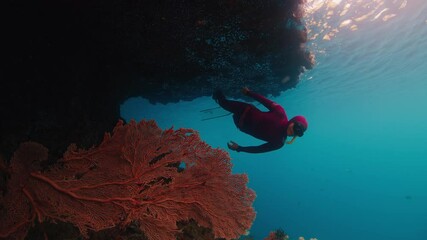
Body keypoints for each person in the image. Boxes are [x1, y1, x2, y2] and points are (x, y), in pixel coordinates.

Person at [212, 87, 308, 153]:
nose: (293, 132)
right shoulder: (280, 113)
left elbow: (259, 149)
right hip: (245, 109)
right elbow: (264, 101)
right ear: (293, 121)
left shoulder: (279, 143)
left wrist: (239, 148)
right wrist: (249, 93)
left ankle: (221, 98)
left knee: (227, 106)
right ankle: (216, 92)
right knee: (224, 103)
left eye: (296, 133)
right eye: (295, 127)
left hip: (240, 123)